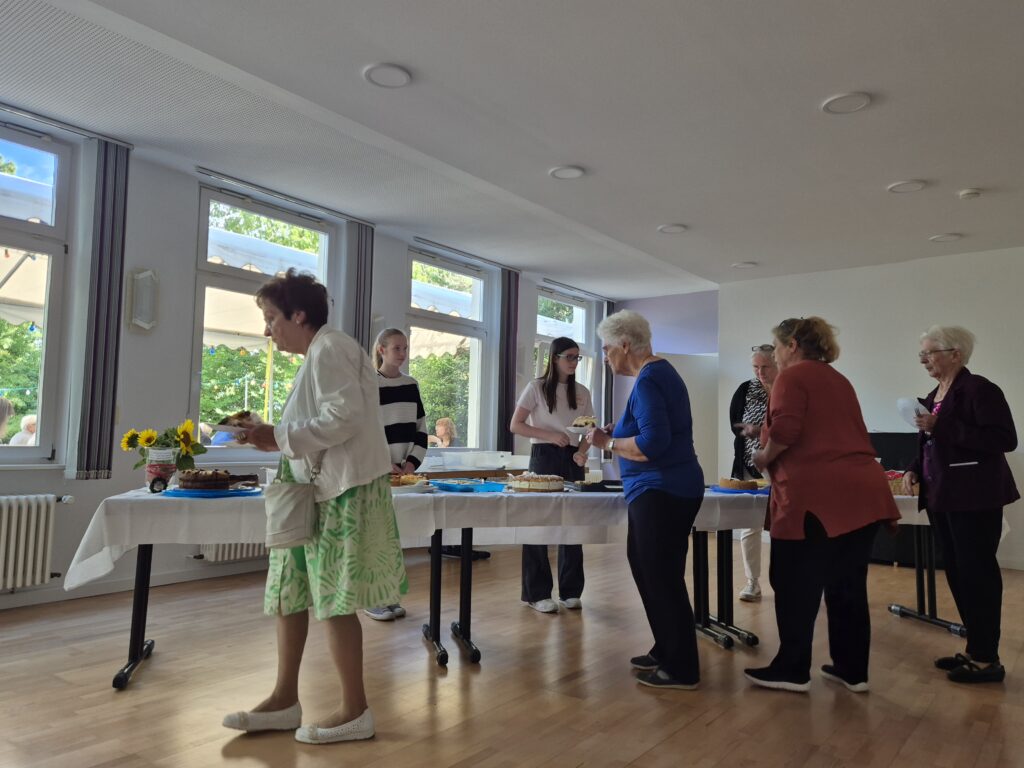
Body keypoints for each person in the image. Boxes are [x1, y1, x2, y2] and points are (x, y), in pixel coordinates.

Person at [222, 269, 406, 745]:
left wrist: (277, 436)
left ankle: (355, 710)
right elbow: (323, 420)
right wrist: (274, 437)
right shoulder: (319, 353)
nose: (267, 330)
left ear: (298, 315)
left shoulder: (331, 347)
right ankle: (284, 699)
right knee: (291, 593)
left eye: (271, 318)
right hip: (314, 493)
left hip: (339, 492)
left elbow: (343, 417)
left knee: (334, 600)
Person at [746, 317, 899, 693]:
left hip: (817, 495)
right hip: (863, 490)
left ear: (793, 345)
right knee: (846, 582)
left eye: (777, 347)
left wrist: (762, 456)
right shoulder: (838, 379)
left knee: (794, 580)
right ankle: (852, 669)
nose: (776, 356)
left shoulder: (794, 377)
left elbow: (786, 429)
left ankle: (793, 669)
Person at [586, 310, 705, 690]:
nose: (605, 357)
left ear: (624, 344)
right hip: (663, 490)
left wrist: (608, 443)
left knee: (662, 576)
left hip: (662, 490)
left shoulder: (651, 378)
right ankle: (666, 649)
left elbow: (654, 444)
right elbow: (647, 429)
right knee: (647, 568)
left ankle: (682, 668)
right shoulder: (655, 375)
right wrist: (616, 432)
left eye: (606, 349)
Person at [903, 326, 1018, 684]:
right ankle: (975, 648)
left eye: (930, 353)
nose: (924, 360)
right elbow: (929, 441)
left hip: (975, 496)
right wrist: (913, 468)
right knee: (956, 571)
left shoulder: (980, 390)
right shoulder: (934, 394)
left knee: (977, 573)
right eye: (921, 354)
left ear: (956, 354)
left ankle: (988, 660)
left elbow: (1004, 439)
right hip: (942, 496)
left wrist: (942, 426)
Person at [509, 336, 594, 613]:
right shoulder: (535, 388)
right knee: (538, 523)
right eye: (569, 357)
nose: (573, 362)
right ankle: (537, 592)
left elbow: (589, 432)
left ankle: (571, 591)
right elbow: (516, 425)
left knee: (573, 523)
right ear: (554, 358)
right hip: (543, 455)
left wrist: (582, 451)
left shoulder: (582, 391)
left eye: (577, 357)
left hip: (572, 458)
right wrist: (549, 435)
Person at [364, 327, 427, 622]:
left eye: (405, 348)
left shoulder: (411, 385)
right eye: (397, 348)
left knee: (391, 538)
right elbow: (364, 432)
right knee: (373, 536)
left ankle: (389, 596)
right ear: (381, 350)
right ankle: (372, 598)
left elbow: (421, 432)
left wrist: (411, 465)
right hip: (375, 473)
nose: (402, 354)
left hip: (404, 475)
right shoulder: (368, 385)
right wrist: (383, 462)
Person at [728, 345, 778, 601]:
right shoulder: (745, 390)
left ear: (777, 363)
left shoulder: (788, 389)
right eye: (755, 367)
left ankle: (788, 583)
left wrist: (762, 432)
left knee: (782, 526)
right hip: (749, 465)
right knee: (750, 524)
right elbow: (735, 426)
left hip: (782, 469)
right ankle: (752, 582)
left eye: (765, 366)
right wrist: (750, 435)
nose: (760, 372)